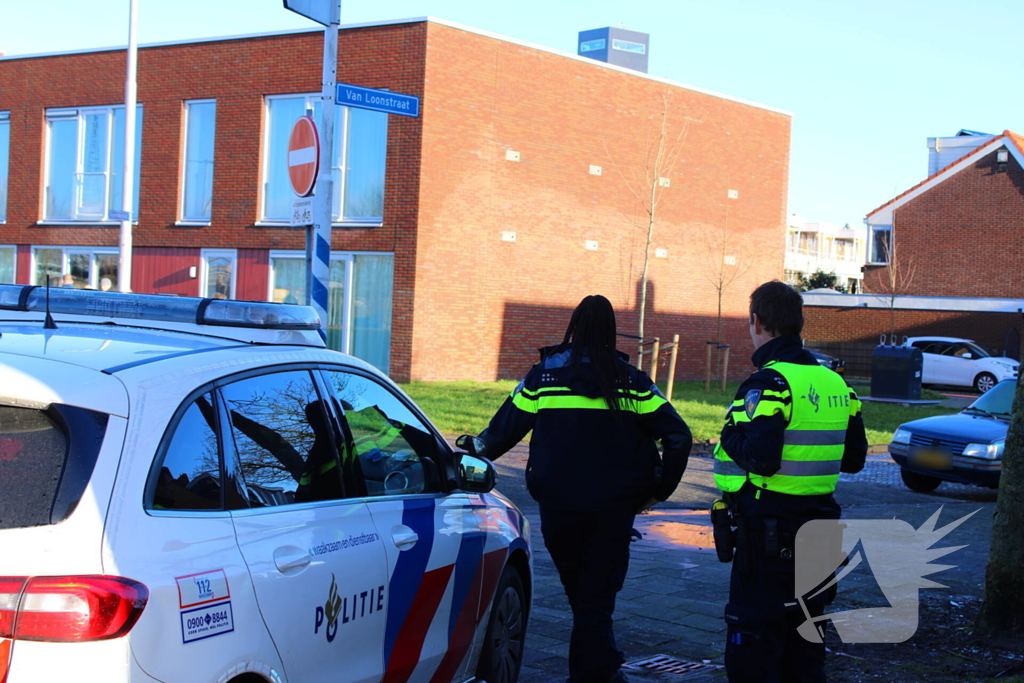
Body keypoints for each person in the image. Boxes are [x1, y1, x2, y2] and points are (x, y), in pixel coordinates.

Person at [461, 294, 692, 683]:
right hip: (614, 510)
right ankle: (599, 670)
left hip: (558, 507)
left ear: (574, 327)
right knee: (595, 601)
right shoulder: (633, 383)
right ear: (611, 331)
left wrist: (466, 457)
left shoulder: (543, 379)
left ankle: (603, 668)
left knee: (583, 598)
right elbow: (679, 437)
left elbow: (498, 436)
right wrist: (660, 492)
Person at [712, 280, 867, 683]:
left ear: (757, 322)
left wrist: (729, 433)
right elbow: (854, 460)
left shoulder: (769, 383)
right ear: (799, 323)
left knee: (754, 646)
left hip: (768, 535)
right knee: (806, 643)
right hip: (821, 531)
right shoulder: (838, 384)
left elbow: (761, 460)